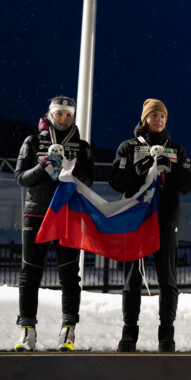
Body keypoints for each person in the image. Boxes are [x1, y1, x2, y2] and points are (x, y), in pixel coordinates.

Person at [109, 99, 191, 352]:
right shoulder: (128, 147)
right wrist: (141, 167)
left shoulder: (177, 149)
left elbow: (190, 185)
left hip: (166, 221)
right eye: (154, 115)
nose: (159, 120)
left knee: (167, 280)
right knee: (132, 279)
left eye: (163, 116)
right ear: (145, 118)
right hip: (135, 221)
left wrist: (172, 167)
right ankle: (129, 335)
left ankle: (166, 336)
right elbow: (116, 182)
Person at [13, 96, 94, 351]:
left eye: (68, 115)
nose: (63, 119)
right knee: (30, 274)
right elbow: (20, 178)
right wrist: (43, 166)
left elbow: (89, 181)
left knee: (70, 275)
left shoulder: (81, 146)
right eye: (59, 114)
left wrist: (73, 167)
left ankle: (68, 332)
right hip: (36, 215)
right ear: (50, 115)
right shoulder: (33, 141)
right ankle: (27, 332)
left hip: (68, 215)